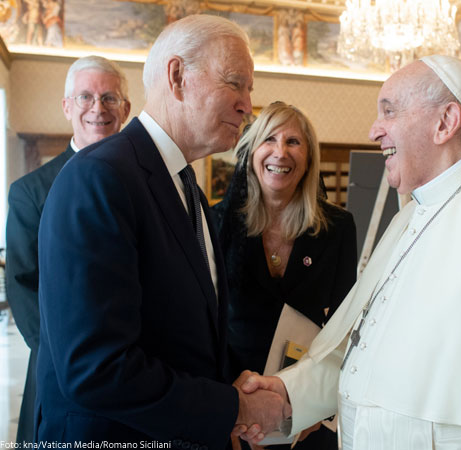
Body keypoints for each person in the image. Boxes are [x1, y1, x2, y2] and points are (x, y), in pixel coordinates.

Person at [236, 55, 461, 449]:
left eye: (389, 111)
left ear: (444, 122)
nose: (374, 130)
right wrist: (286, 396)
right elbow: (362, 352)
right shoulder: (410, 218)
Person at [35, 15, 286, 448]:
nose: (247, 104)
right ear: (177, 77)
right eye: (235, 84)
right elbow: (97, 369)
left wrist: (231, 386)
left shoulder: (189, 188)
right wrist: (234, 408)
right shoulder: (98, 178)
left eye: (249, 90)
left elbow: (182, 336)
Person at [213, 102, 357, 449]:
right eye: (269, 139)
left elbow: (345, 329)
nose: (280, 152)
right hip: (236, 408)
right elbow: (206, 327)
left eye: (293, 142)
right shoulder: (217, 224)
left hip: (307, 407)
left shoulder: (337, 228)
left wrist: (316, 408)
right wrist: (233, 407)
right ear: (251, 153)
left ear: (308, 158)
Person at [5, 54, 130, 446]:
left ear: (125, 109)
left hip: (137, 369)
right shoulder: (30, 192)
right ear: (66, 107)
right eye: (85, 97)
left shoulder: (145, 185)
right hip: (61, 369)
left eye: (110, 98)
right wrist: (74, 360)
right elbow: (24, 287)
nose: (98, 108)